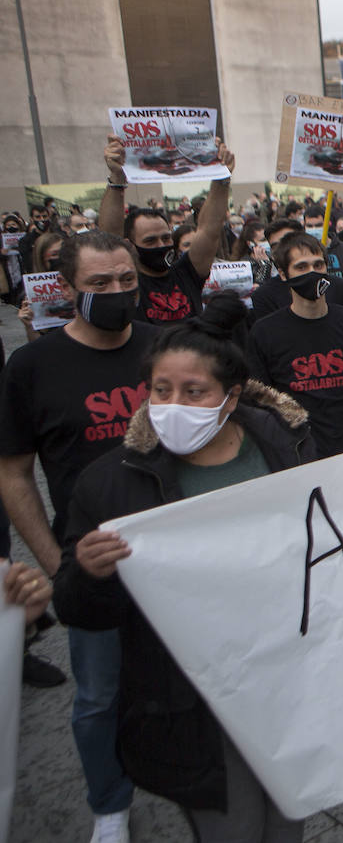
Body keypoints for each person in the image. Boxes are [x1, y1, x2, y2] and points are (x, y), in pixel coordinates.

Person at [53, 294, 315, 843]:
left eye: (194, 392)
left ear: (231, 396)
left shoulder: (283, 445)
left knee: (289, 816)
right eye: (160, 390)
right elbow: (78, 609)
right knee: (233, 826)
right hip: (188, 699)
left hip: (284, 679)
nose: (172, 405)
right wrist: (87, 571)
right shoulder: (111, 483)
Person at [0, 231, 156, 841]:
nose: (117, 293)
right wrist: (57, 562)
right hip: (91, 565)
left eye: (126, 281)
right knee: (97, 697)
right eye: (99, 284)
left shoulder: (163, 346)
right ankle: (110, 805)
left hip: (174, 558)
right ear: (66, 289)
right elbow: (13, 474)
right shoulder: (32, 367)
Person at [246, 231, 343, 458]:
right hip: (299, 452)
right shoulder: (264, 332)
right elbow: (261, 403)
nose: (312, 273)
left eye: (318, 265)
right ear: (283, 274)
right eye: (301, 267)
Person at [97, 135, 235, 325]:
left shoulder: (187, 273)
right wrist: (117, 177)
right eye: (150, 241)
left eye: (166, 238)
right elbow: (108, 238)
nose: (161, 245)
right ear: (130, 246)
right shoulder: (127, 282)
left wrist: (221, 176)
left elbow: (209, 229)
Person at [250, 220, 343, 321]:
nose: (284, 251)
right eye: (276, 246)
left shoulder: (339, 287)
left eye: (291, 243)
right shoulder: (263, 296)